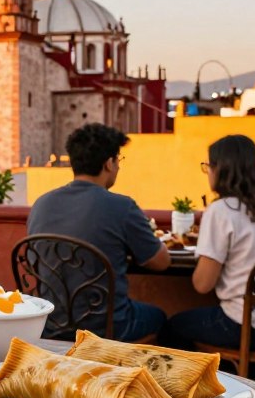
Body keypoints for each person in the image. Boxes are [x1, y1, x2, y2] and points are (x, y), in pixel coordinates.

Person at [27, 123, 170, 341]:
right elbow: (161, 262)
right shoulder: (122, 207)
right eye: (118, 161)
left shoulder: (41, 204)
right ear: (109, 163)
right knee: (159, 317)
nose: (118, 167)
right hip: (106, 330)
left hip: (50, 325)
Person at [163, 135, 255, 353]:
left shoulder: (223, 211)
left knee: (173, 327)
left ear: (220, 169)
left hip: (245, 326)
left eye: (208, 166)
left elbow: (202, 284)